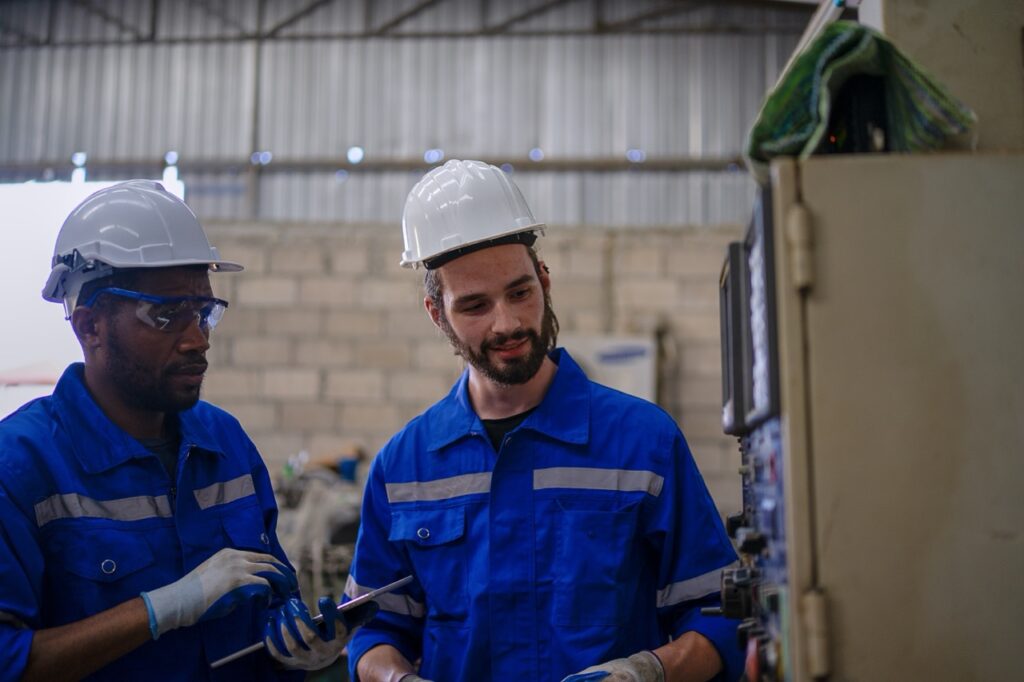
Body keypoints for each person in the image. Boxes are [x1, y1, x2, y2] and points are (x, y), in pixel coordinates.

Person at [344, 161, 743, 682]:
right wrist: (395, 678)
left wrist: (647, 672)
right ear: (436, 313)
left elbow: (719, 618)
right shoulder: (403, 467)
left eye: (519, 292)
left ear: (545, 281)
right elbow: (373, 632)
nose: (506, 323)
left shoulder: (643, 443)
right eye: (474, 306)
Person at [0, 180, 374, 681]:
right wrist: (161, 609)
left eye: (203, 312)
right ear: (89, 326)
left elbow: (272, 596)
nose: (198, 340)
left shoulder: (225, 444)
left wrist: (295, 644)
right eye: (166, 315)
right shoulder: (21, 467)